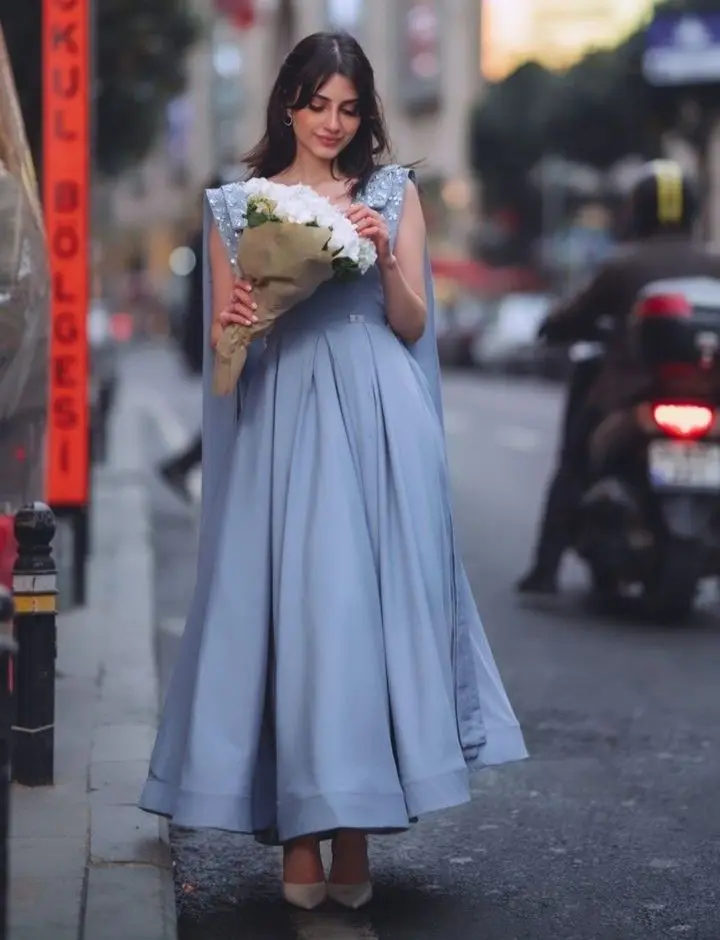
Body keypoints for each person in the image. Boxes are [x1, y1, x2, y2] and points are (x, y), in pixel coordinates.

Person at [140, 31, 527, 911]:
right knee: (306, 619)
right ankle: (302, 835)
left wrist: (383, 256)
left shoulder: (393, 192)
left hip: (383, 421)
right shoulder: (236, 205)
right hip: (286, 420)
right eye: (317, 104)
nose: (332, 123)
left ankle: (354, 833)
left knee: (372, 620)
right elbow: (226, 346)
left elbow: (413, 325)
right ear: (288, 103)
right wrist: (245, 315)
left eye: (349, 109)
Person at [517, 159, 720, 594]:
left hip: (631, 393)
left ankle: (546, 568)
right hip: (709, 393)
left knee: (574, 462)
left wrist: (553, 326)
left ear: (639, 210)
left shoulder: (622, 266)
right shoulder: (713, 263)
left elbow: (572, 316)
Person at [158, 175, 224, 502]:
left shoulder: (202, 239)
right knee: (227, 412)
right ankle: (180, 466)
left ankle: (181, 466)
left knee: (225, 412)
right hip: (213, 337)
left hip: (206, 336)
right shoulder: (208, 241)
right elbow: (200, 300)